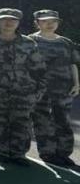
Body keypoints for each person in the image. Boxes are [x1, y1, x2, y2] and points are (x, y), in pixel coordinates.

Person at [0, 8, 46, 163]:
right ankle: (1, 151)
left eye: (13, 20)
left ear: (18, 22)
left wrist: (38, 92)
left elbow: (39, 69)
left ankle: (18, 154)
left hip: (23, 91)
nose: (8, 22)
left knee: (21, 123)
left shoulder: (29, 43)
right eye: (4, 19)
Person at [27, 9, 77, 166]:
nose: (50, 24)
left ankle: (64, 153)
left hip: (63, 89)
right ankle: (48, 153)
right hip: (39, 89)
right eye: (45, 21)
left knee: (63, 121)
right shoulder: (30, 41)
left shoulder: (65, 42)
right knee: (42, 121)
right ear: (37, 23)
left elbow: (73, 63)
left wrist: (77, 83)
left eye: (53, 21)